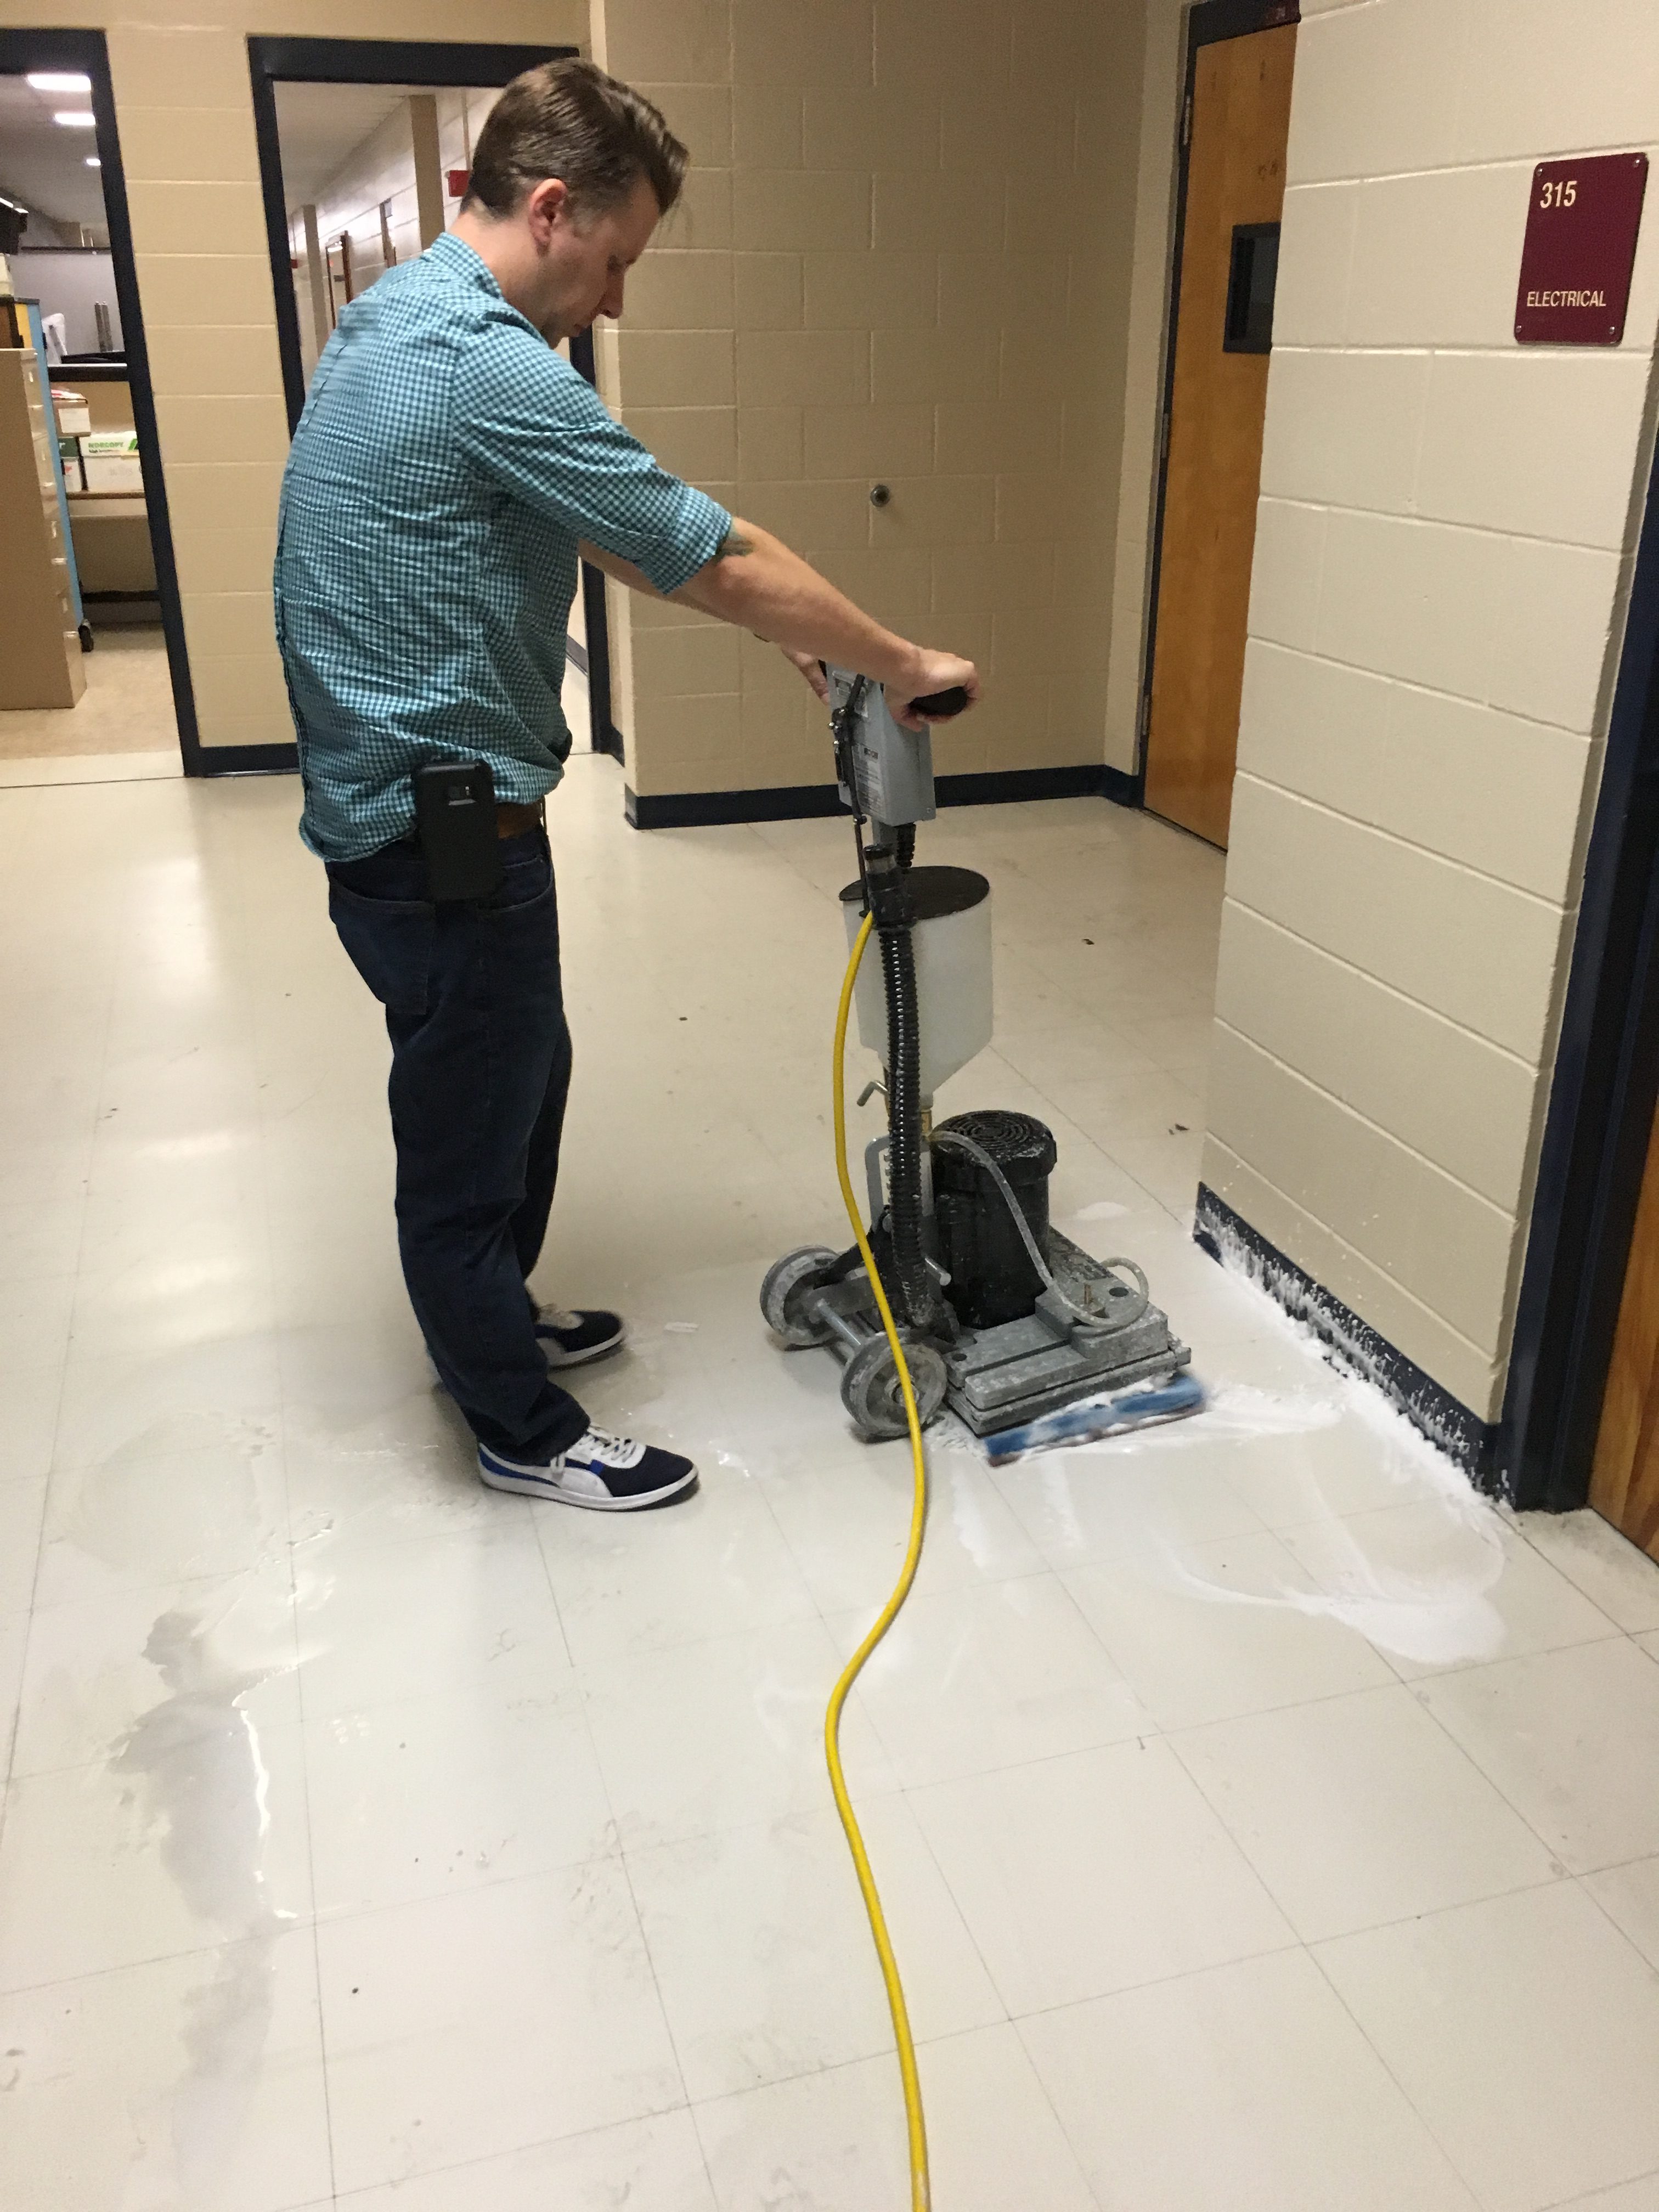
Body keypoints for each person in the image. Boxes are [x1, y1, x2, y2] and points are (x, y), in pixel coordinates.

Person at [274, 58, 979, 1514]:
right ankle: (515, 1425)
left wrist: (802, 636)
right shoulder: (485, 361)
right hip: (442, 819)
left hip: (399, 806)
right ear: (549, 207)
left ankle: (489, 1323)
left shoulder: (392, 319)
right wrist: (897, 658)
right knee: (476, 1117)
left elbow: (567, 511)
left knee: (517, 1072)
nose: (617, 302)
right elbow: (704, 548)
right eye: (614, 262)